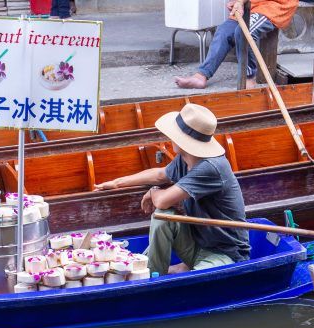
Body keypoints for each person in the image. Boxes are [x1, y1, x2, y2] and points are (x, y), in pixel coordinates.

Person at [93, 104, 250, 276]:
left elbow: (161, 200)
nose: (170, 137)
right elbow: (161, 175)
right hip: (198, 247)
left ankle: (178, 274)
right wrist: (117, 183)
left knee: (163, 209)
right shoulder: (186, 158)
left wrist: (152, 192)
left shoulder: (211, 167)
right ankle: (151, 273)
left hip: (226, 255)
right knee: (163, 217)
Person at [174, 0, 299, 90]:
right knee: (223, 31)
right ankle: (201, 75)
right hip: (253, 4)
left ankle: (249, 77)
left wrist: (240, 2)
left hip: (275, 5)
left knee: (244, 31)